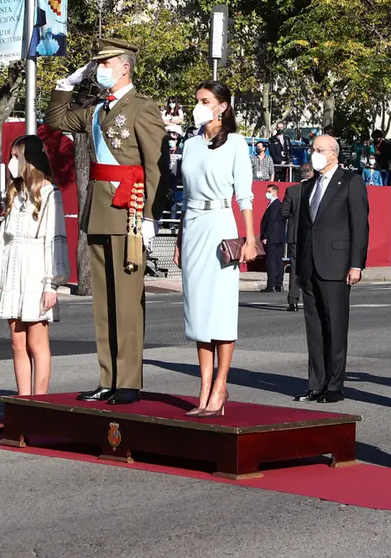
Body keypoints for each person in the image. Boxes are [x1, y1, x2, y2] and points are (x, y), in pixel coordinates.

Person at [45, 39, 169, 405]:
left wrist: (150, 216)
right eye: (97, 64)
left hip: (128, 211)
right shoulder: (97, 110)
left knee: (127, 302)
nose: (100, 69)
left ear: (125, 67)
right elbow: (55, 119)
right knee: (103, 303)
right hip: (99, 211)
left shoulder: (142, 108)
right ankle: (108, 378)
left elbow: (155, 167)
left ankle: (129, 380)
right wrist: (67, 84)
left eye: (106, 63)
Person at [173, 81, 257, 417]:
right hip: (193, 227)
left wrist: (250, 239)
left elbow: (245, 195)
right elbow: (184, 197)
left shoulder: (236, 143)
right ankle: (204, 386)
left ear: (222, 106)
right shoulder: (190, 145)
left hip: (222, 224)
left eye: (206, 101)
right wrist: (179, 239)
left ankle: (221, 385)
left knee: (220, 310)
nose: (199, 106)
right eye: (197, 100)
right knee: (197, 312)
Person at [0, 135, 71, 396]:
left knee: (37, 342)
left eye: (15, 156)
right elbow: (4, 240)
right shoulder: (15, 192)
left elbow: (55, 239)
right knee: (17, 341)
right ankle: (22, 405)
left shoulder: (49, 193)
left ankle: (40, 405)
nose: (11, 161)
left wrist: (51, 284)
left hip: (36, 270)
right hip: (13, 269)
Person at [294, 134, 369, 404]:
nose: (314, 153)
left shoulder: (350, 181)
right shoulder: (308, 186)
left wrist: (356, 264)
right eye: (313, 149)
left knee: (335, 327)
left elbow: (360, 226)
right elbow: (305, 228)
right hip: (309, 266)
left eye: (320, 149)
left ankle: (335, 384)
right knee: (314, 328)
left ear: (334, 154)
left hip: (336, 265)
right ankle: (316, 382)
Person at [281, 164, 312, 311]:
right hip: (311, 235)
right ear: (311, 173)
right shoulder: (315, 189)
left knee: (294, 268)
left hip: (294, 235)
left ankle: (293, 300)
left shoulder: (291, 190)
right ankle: (311, 299)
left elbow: (284, 212)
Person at [260, 184, 286, 292]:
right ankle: (278, 284)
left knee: (271, 261)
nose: (267, 193)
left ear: (275, 192)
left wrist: (266, 235)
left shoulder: (275, 205)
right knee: (278, 261)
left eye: (269, 191)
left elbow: (271, 221)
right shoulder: (277, 204)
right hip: (279, 237)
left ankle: (271, 285)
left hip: (272, 237)